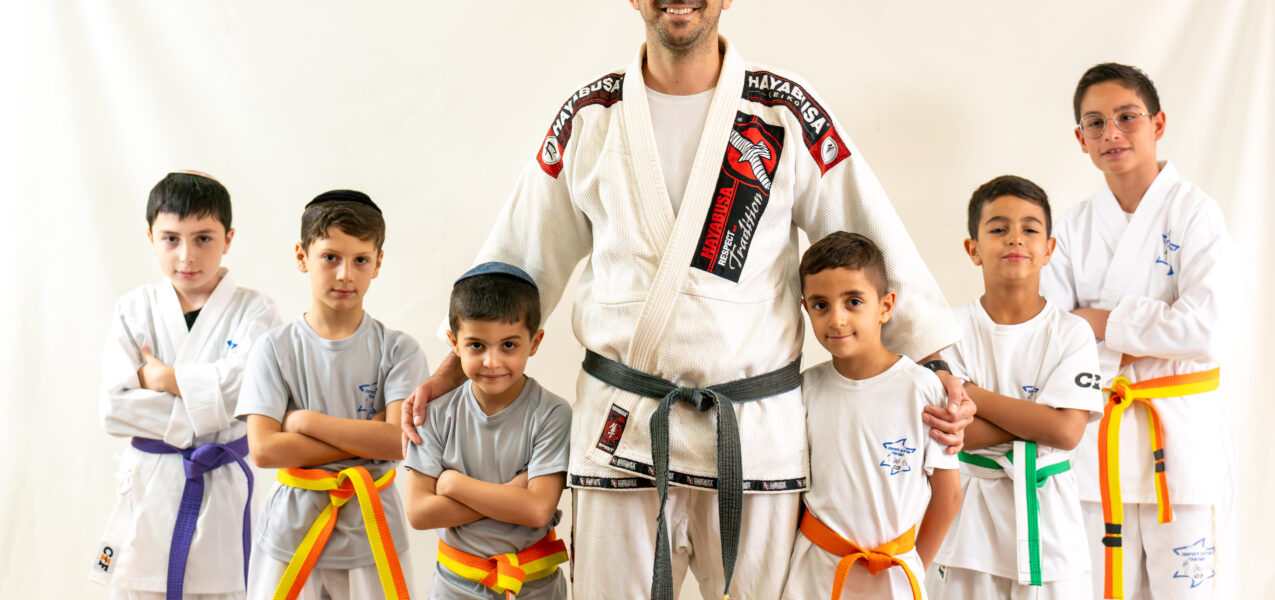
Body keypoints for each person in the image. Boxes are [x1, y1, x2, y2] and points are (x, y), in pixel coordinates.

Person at [402, 2, 973, 597]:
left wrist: (934, 363)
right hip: (623, 428)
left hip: (752, 435)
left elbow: (871, 241)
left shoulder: (782, 111)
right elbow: (521, 255)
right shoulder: (591, 116)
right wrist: (453, 368)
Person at [1041, 63, 1234, 599]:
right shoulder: (1071, 227)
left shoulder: (1196, 213)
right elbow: (1053, 339)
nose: (1112, 133)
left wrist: (1104, 323)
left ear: (1158, 124)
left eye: (1127, 117)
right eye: (1096, 123)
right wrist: (1147, 334)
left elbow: (1205, 329)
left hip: (1181, 441)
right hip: (1094, 446)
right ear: (1080, 138)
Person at [93, 171, 280, 600]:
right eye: (171, 239)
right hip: (150, 485)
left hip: (220, 485)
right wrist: (206, 408)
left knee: (220, 586)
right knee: (140, 583)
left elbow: (248, 392)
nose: (187, 256)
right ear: (150, 238)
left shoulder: (256, 311)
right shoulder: (133, 309)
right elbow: (114, 407)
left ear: (228, 239)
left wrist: (165, 380)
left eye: (203, 239)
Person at [235, 190, 426, 600]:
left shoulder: (399, 350)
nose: (345, 274)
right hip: (290, 532)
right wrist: (368, 438)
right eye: (330, 257)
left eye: (361, 260)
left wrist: (305, 423)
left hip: (372, 531)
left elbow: (399, 442)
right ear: (302, 256)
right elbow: (264, 450)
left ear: (378, 263)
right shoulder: (274, 349)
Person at [926, 176, 1102, 598]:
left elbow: (1067, 432)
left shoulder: (1071, 332)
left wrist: (971, 393)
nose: (1015, 239)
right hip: (969, 528)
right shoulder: (947, 331)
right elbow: (956, 434)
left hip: (1052, 527)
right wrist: (1042, 420)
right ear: (973, 249)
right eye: (999, 228)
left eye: (1030, 228)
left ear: (1049, 249)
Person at [781, 232, 961, 600]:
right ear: (805, 308)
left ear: (885, 306)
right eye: (820, 305)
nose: (837, 319)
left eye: (853, 302)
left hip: (896, 577)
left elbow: (949, 495)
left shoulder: (923, 388)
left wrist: (915, 563)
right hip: (815, 576)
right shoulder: (804, 390)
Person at [402, 262, 571, 599]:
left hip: (534, 590)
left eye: (508, 345)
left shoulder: (552, 413)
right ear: (454, 342)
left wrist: (453, 484)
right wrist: (511, 494)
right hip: (453, 589)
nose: (492, 362)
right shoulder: (435, 414)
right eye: (476, 345)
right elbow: (419, 513)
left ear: (535, 341)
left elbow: (537, 510)